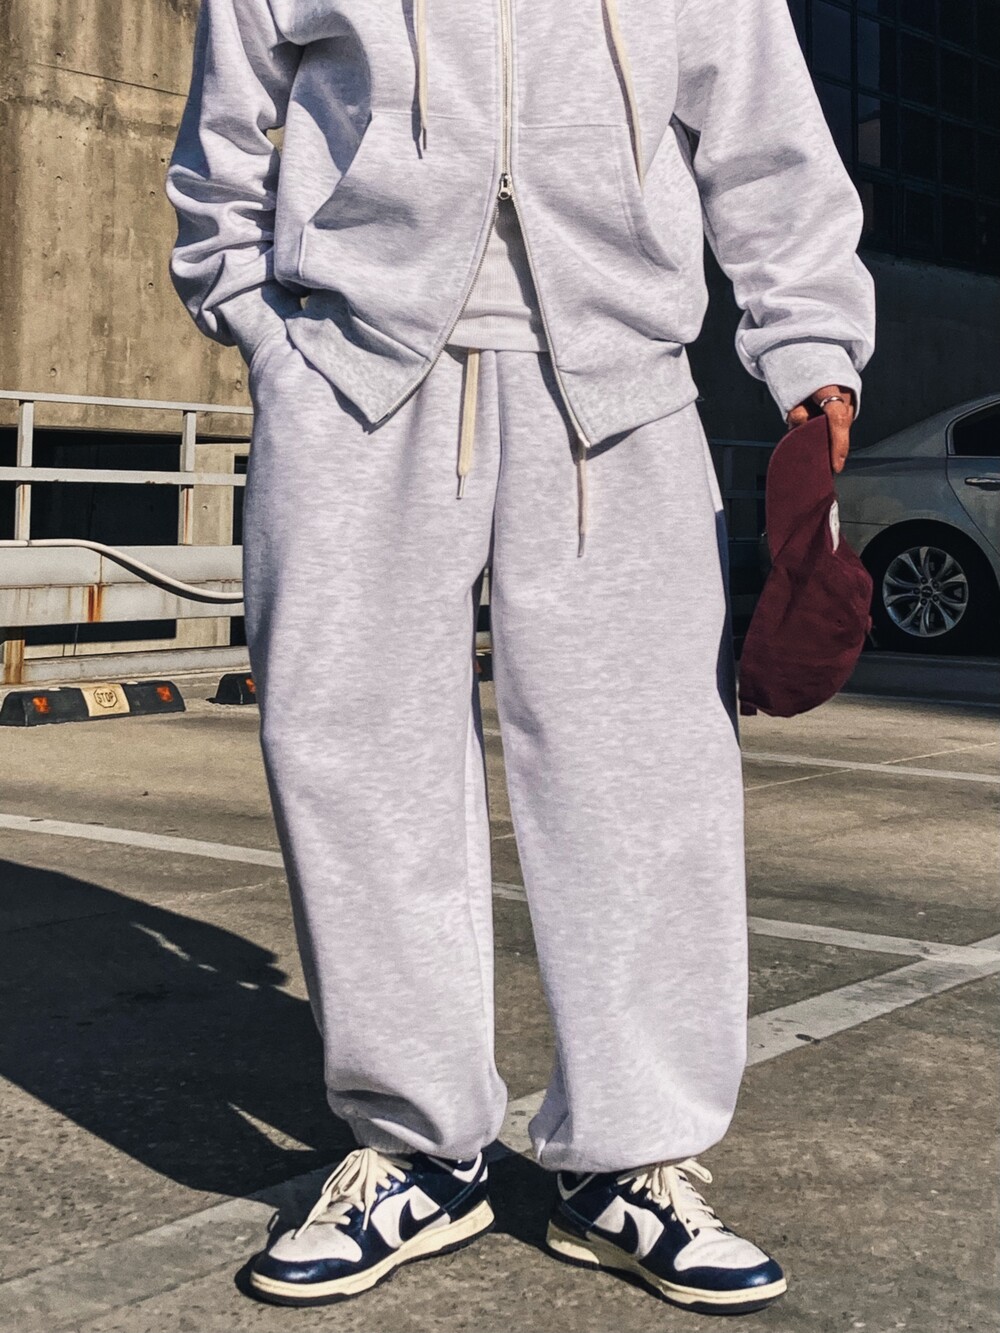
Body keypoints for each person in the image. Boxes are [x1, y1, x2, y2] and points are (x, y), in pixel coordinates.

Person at [165, 0, 875, 1315]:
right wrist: (268, 334)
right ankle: (417, 1146)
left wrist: (812, 352)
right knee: (355, 761)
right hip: (355, 374)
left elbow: (766, 143)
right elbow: (228, 134)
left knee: (647, 774)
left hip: (625, 381)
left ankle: (629, 1157)